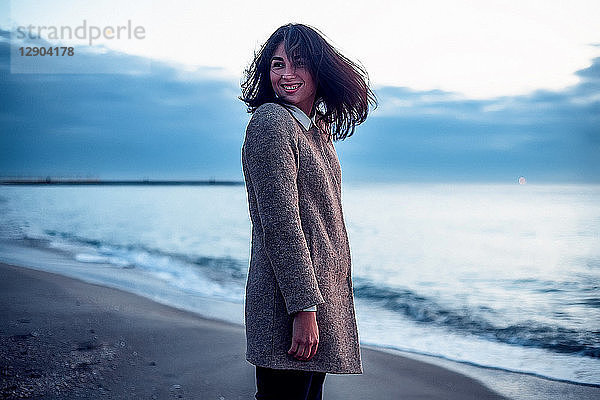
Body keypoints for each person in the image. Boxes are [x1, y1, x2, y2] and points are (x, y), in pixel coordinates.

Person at [239, 23, 376, 400]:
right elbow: (281, 225)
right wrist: (303, 309)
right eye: (277, 64)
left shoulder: (315, 130)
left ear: (319, 69)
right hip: (289, 306)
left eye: (298, 63)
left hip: (317, 300)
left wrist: (313, 307)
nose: (286, 75)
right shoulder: (271, 124)